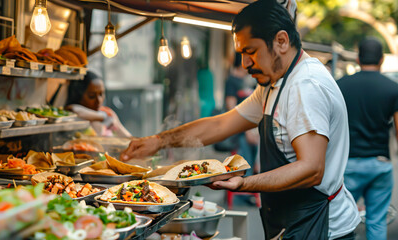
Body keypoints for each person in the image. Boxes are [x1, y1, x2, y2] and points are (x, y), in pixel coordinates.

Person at [120, 0, 359, 239]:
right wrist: (159, 141)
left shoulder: (305, 85)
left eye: (251, 51)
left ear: (282, 41)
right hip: (292, 222)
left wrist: (244, 183)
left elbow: (311, 169)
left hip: (324, 228)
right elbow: (221, 124)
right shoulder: (275, 83)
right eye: (241, 53)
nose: (245, 64)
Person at [337, 37, 398, 240]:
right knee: (377, 221)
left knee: (341, 222)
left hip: (347, 164)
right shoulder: (393, 88)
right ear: (381, 60)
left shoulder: (340, 85)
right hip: (379, 164)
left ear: (357, 58)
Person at [65, 71, 132, 137]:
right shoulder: (75, 117)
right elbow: (74, 109)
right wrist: (104, 117)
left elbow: (128, 137)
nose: (99, 100)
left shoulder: (108, 112)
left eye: (101, 94)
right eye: (92, 96)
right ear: (78, 96)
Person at [224, 53, 258, 174]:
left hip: (252, 131)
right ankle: (241, 190)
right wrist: (247, 131)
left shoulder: (250, 80)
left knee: (253, 164)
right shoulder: (232, 81)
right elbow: (231, 108)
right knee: (244, 165)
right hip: (240, 133)